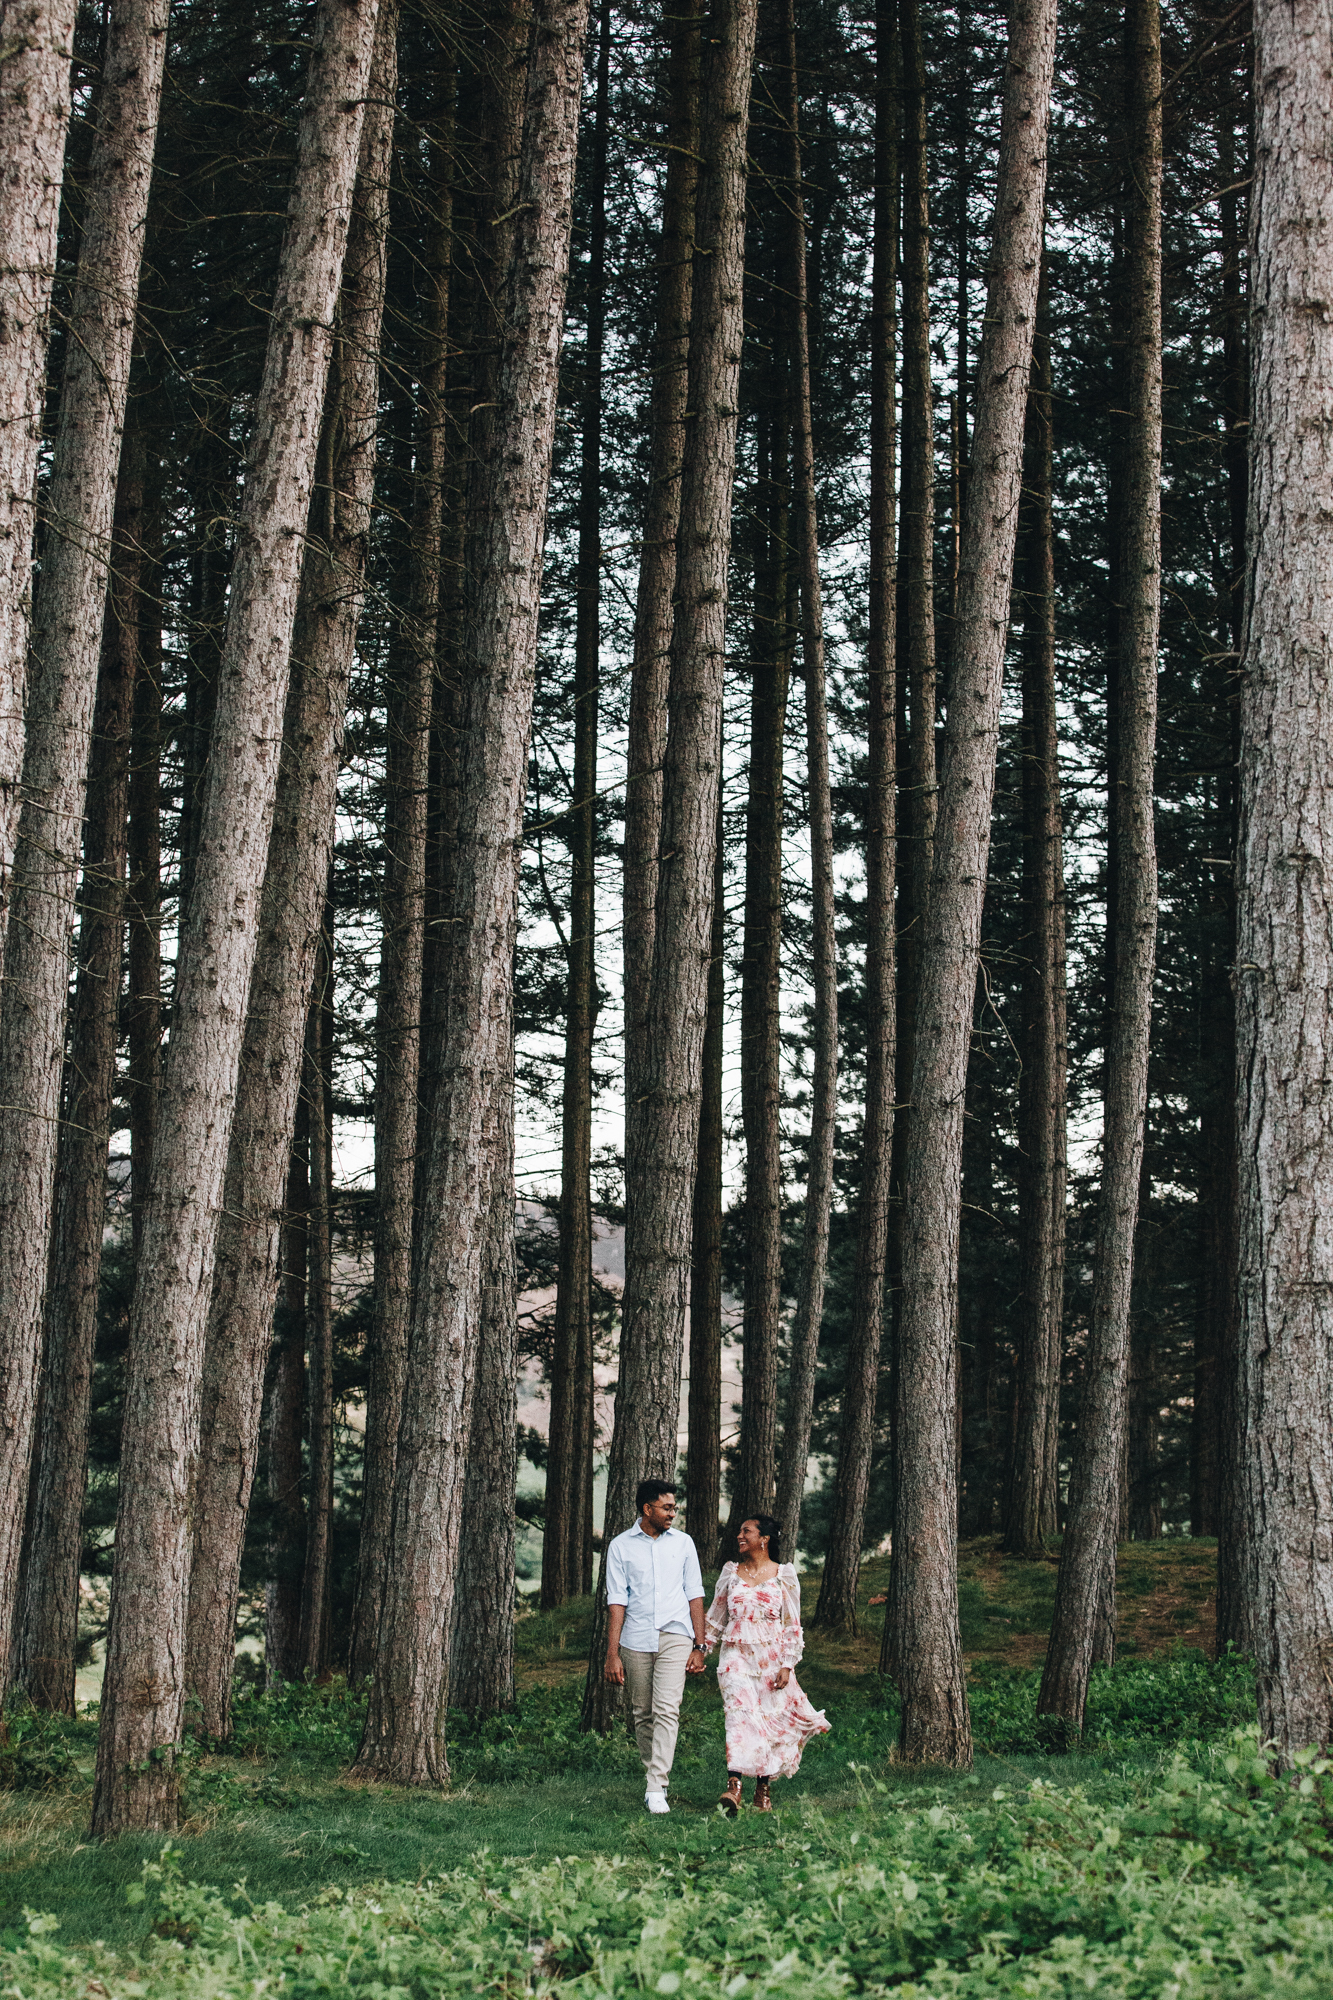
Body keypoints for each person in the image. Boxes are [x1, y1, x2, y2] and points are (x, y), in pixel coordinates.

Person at [703, 1514, 829, 1814]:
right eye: (739, 1532)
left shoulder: (783, 1575)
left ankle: (762, 1788)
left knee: (764, 1721)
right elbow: (717, 1615)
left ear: (765, 1538)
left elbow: (791, 1623)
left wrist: (787, 1664)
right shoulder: (731, 1573)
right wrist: (701, 1650)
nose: (739, 1536)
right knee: (739, 1714)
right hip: (735, 1655)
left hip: (770, 1658)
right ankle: (734, 1786)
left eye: (746, 1531)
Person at [604, 1478, 707, 1814]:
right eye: (666, 1508)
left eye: (674, 1508)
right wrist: (612, 1652)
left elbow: (694, 1593)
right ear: (647, 1509)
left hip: (676, 1635)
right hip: (635, 1638)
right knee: (642, 1712)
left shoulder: (683, 1543)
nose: (672, 1514)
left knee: (667, 1708)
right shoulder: (620, 1546)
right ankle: (655, 1775)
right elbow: (617, 1601)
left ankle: (656, 1786)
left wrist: (699, 1645)